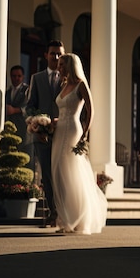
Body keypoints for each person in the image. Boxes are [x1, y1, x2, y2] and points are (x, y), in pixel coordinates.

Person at [50, 53, 107, 234]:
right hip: (59, 131)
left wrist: (85, 135)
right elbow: (64, 109)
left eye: (61, 65)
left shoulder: (81, 85)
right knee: (58, 172)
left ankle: (75, 219)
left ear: (69, 65)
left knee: (71, 172)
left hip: (74, 131)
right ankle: (65, 216)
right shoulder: (64, 85)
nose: (58, 67)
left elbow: (91, 111)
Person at [26, 40, 65, 227]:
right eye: (53, 54)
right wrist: (38, 126)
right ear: (46, 55)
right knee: (47, 176)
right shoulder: (37, 78)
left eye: (59, 54)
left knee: (63, 175)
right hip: (41, 136)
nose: (56, 58)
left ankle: (64, 211)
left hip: (63, 134)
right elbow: (29, 106)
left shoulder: (68, 80)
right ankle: (53, 212)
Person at [5, 65, 33, 171]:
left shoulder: (28, 90)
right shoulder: (7, 92)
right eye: (13, 76)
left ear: (23, 77)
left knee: (26, 160)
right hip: (11, 130)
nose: (16, 78)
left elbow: (31, 108)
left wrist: (15, 110)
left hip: (24, 130)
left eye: (18, 76)